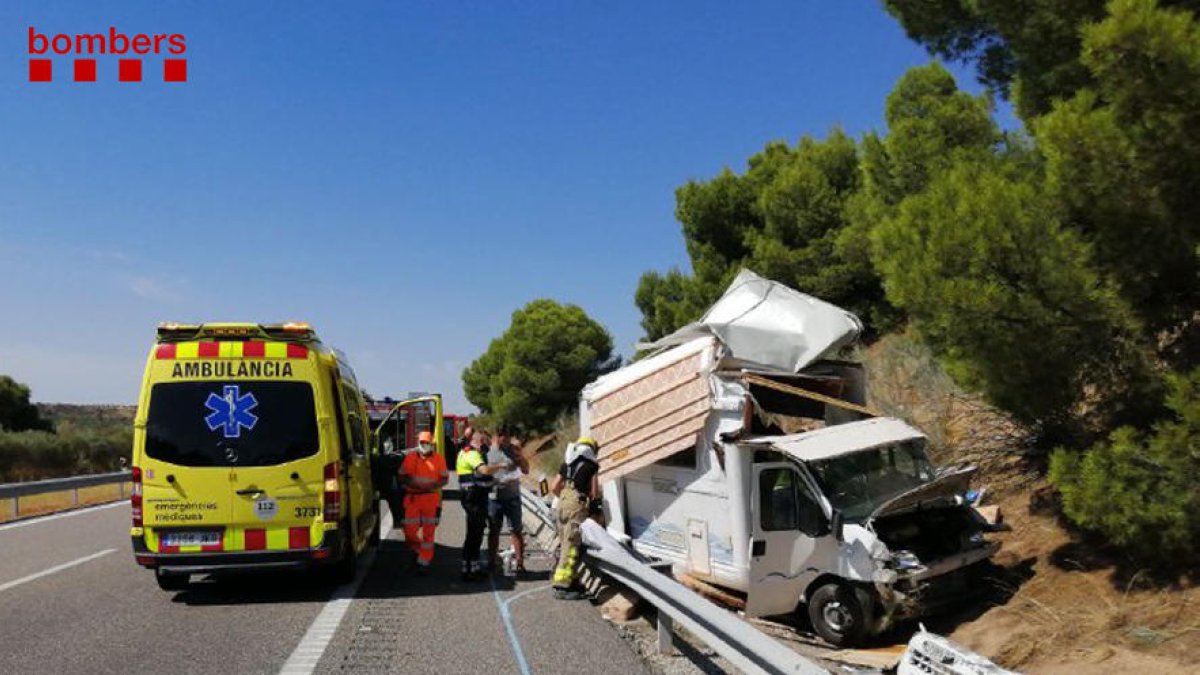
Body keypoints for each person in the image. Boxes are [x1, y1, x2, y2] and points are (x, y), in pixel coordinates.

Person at [550, 437, 601, 600]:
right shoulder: (592, 466)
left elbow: (554, 487)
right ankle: (562, 586)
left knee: (564, 541)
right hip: (576, 505)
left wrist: (566, 497)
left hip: (562, 502)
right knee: (572, 545)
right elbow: (594, 493)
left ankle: (571, 580)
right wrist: (592, 508)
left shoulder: (568, 463)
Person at [455, 429, 504, 580]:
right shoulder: (472, 454)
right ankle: (469, 569)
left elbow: (478, 478)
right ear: (480, 442)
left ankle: (472, 567)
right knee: (474, 534)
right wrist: (500, 466)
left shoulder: (464, 453)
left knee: (474, 534)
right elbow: (483, 470)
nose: (486, 447)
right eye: (485, 443)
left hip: (473, 498)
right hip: (473, 499)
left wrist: (492, 482)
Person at [398, 430, 448, 574]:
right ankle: (418, 551)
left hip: (430, 498)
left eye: (427, 443)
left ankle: (423, 562)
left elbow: (445, 478)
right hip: (412, 497)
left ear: (431, 444)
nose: (424, 445)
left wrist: (435, 485)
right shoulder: (410, 457)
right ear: (418, 443)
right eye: (422, 443)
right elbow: (401, 476)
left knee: (428, 532)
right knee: (409, 531)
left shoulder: (439, 459)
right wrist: (411, 483)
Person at [486, 426, 529, 574]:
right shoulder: (491, 453)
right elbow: (486, 472)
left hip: (512, 497)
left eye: (508, 435)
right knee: (494, 530)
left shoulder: (515, 450)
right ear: (497, 437)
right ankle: (492, 561)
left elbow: (526, 469)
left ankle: (520, 563)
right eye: (502, 436)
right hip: (495, 497)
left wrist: (520, 457)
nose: (505, 438)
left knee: (516, 530)